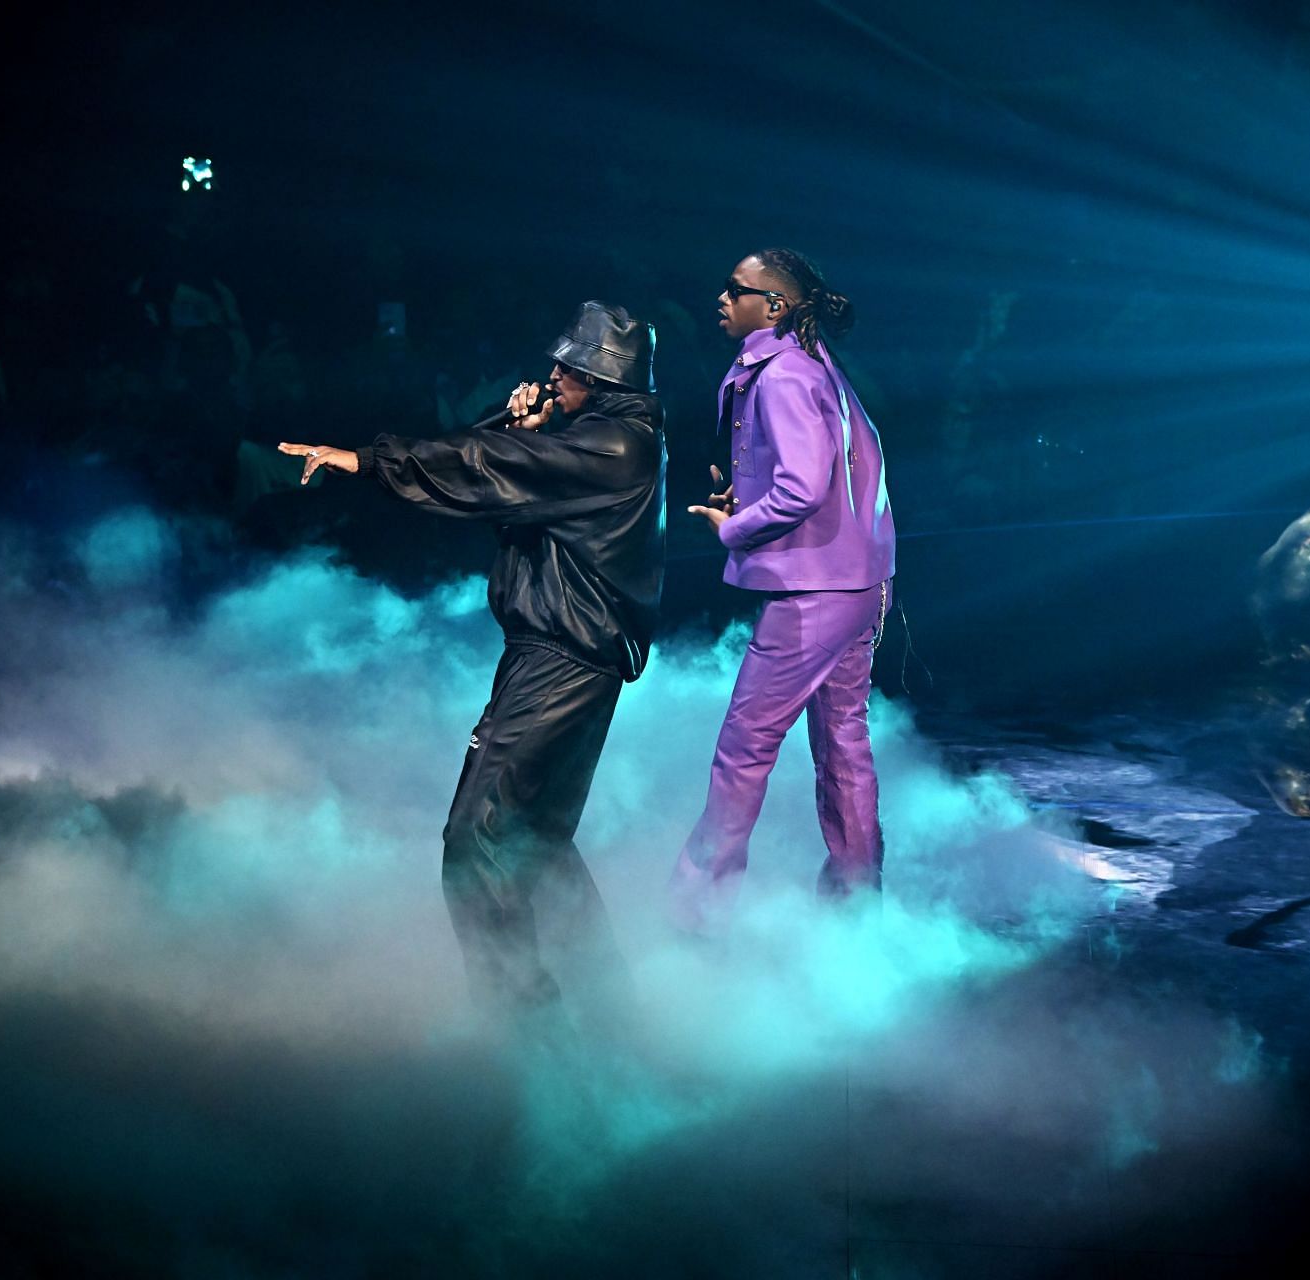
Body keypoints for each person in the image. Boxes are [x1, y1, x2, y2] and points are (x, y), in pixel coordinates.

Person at [281, 301, 666, 1015]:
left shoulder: (614, 447)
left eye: (569, 369)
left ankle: (529, 1041)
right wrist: (516, 424)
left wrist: (367, 460)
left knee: (476, 846)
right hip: (561, 658)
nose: (552, 377)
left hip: (561, 663)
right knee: (537, 842)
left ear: (602, 379)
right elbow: (502, 476)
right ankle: (607, 1024)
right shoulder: (599, 442)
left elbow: (490, 468)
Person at [670, 248, 896, 931]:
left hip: (815, 594)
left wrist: (737, 523)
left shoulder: (783, 376)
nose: (721, 297)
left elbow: (803, 485)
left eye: (736, 289)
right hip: (858, 584)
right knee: (843, 744)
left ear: (774, 307)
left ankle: (696, 916)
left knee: (744, 752)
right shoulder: (812, 362)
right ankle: (859, 904)